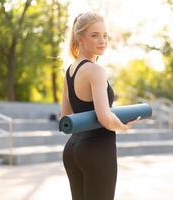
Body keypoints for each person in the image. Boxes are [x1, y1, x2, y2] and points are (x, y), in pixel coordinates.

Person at [61, 12, 141, 200]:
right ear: (80, 39)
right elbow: (105, 117)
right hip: (97, 150)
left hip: (72, 150)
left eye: (105, 35)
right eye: (94, 35)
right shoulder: (96, 71)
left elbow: (65, 115)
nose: (102, 40)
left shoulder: (69, 71)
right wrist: (122, 127)